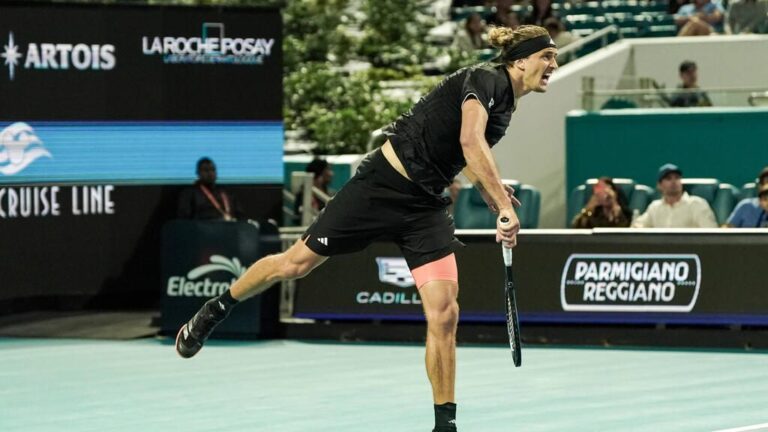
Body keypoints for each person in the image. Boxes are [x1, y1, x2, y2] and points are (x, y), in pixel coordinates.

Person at [175, 25, 559, 432]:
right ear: (520, 60)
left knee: (445, 312)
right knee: (294, 264)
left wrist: (491, 194)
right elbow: (469, 140)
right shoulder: (485, 79)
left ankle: (444, 424)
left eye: (554, 57)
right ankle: (216, 308)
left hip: (424, 207)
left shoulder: (506, 105)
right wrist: (501, 201)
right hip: (380, 187)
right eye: (546, 56)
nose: (553, 63)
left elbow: (460, 153)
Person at [632, 163, 718, 228]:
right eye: (668, 178)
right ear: (659, 185)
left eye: (677, 178)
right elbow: (637, 229)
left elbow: (710, 233)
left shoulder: (696, 204)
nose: (674, 182)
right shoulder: (655, 207)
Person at [177, 157, 244, 221]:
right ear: (198, 173)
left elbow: (239, 214)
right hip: (202, 229)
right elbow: (184, 218)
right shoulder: (190, 193)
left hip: (228, 227)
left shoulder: (225, 192)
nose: (210, 173)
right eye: (206, 170)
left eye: (213, 170)